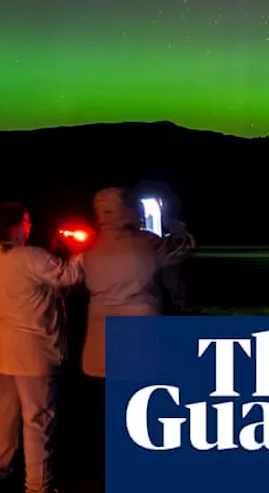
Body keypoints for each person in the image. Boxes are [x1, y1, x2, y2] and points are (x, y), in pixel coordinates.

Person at [72, 187, 194, 483]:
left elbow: (69, 280)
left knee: (108, 409)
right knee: (141, 405)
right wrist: (176, 226)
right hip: (139, 331)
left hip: (102, 335)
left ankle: (107, 470)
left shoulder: (88, 251)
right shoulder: (149, 244)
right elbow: (181, 257)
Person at [0, 202, 83, 493]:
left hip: (0, 347)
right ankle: (39, 485)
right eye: (25, 221)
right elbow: (68, 278)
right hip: (33, 349)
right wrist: (77, 253)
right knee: (38, 419)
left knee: (5, 412)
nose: (29, 226)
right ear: (12, 226)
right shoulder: (32, 256)